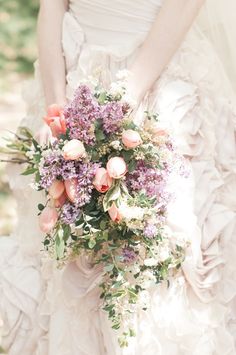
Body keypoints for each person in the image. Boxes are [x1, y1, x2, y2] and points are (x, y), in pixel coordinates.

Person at [0, 0, 236, 354]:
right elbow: (52, 6)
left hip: (155, 76)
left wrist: (120, 105)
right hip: (74, 71)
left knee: (157, 245)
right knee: (69, 248)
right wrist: (58, 112)